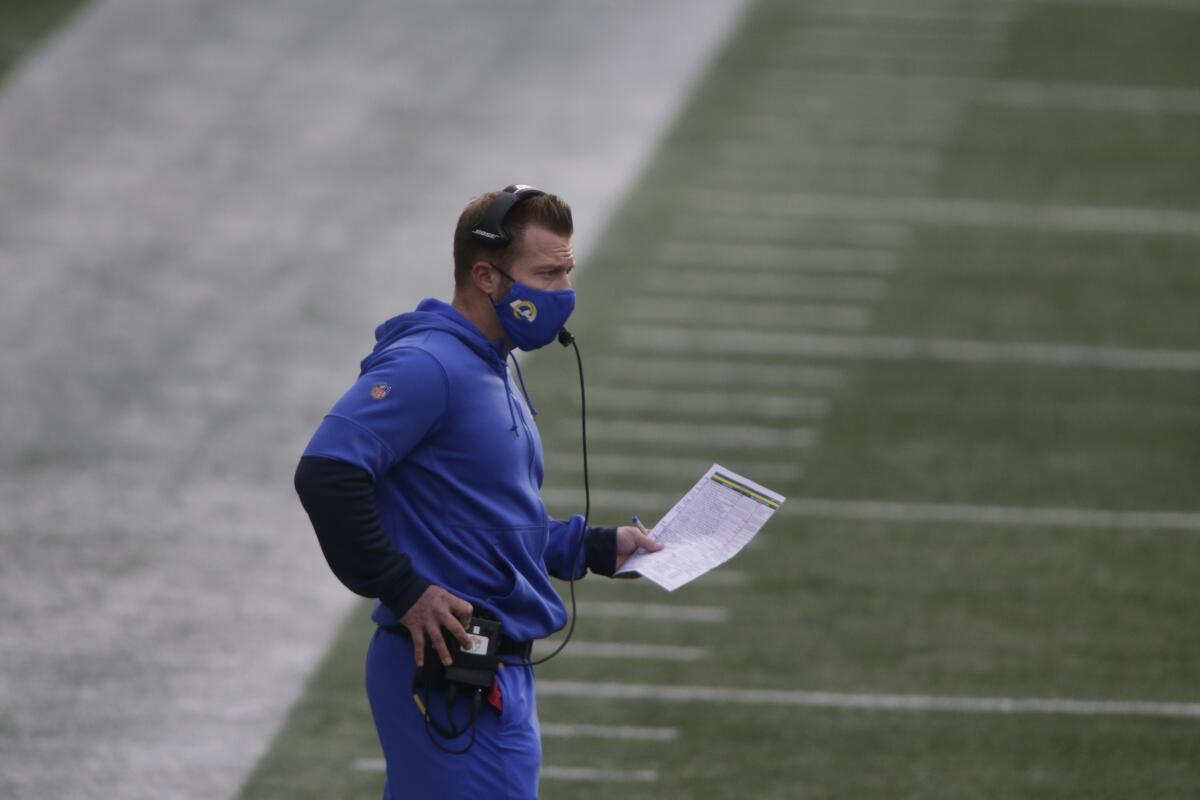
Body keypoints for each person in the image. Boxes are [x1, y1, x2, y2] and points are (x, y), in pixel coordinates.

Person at [293, 185, 661, 798]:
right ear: (487, 276)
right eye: (546, 274)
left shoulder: (493, 364)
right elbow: (327, 473)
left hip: (494, 668)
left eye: (567, 271)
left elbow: (483, 519)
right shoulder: (427, 365)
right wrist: (405, 588)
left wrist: (596, 548)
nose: (563, 293)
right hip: (450, 671)